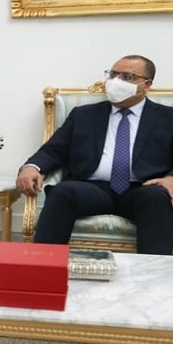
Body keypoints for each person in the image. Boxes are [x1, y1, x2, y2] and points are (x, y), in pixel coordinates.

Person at [16, 55, 173, 255]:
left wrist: (171, 178)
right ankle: (42, 264)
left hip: (142, 189)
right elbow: (53, 150)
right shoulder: (83, 114)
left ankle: (153, 272)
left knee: (156, 198)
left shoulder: (168, 117)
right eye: (113, 75)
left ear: (147, 85)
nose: (116, 81)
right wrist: (31, 167)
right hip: (92, 188)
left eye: (127, 77)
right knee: (63, 192)